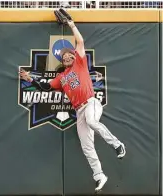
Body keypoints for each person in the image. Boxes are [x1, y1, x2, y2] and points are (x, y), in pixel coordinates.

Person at [19, 20, 126, 192]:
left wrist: (71, 24)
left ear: (75, 57)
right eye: (64, 57)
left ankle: (117, 144)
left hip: (91, 102)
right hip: (79, 110)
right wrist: (30, 79)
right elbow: (46, 87)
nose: (67, 57)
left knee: (92, 121)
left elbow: (80, 42)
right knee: (86, 145)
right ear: (62, 61)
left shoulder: (80, 63)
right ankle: (99, 175)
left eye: (70, 55)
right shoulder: (61, 77)